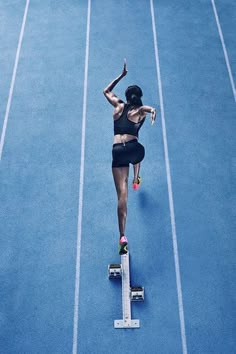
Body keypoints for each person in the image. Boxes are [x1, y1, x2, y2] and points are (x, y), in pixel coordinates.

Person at [103, 60, 156, 255]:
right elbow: (146, 109)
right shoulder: (138, 111)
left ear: (125, 97)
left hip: (117, 151)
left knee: (122, 196)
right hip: (134, 150)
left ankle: (122, 236)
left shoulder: (118, 106)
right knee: (138, 152)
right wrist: (152, 111)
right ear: (139, 98)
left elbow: (105, 91)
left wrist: (121, 76)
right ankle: (137, 177)